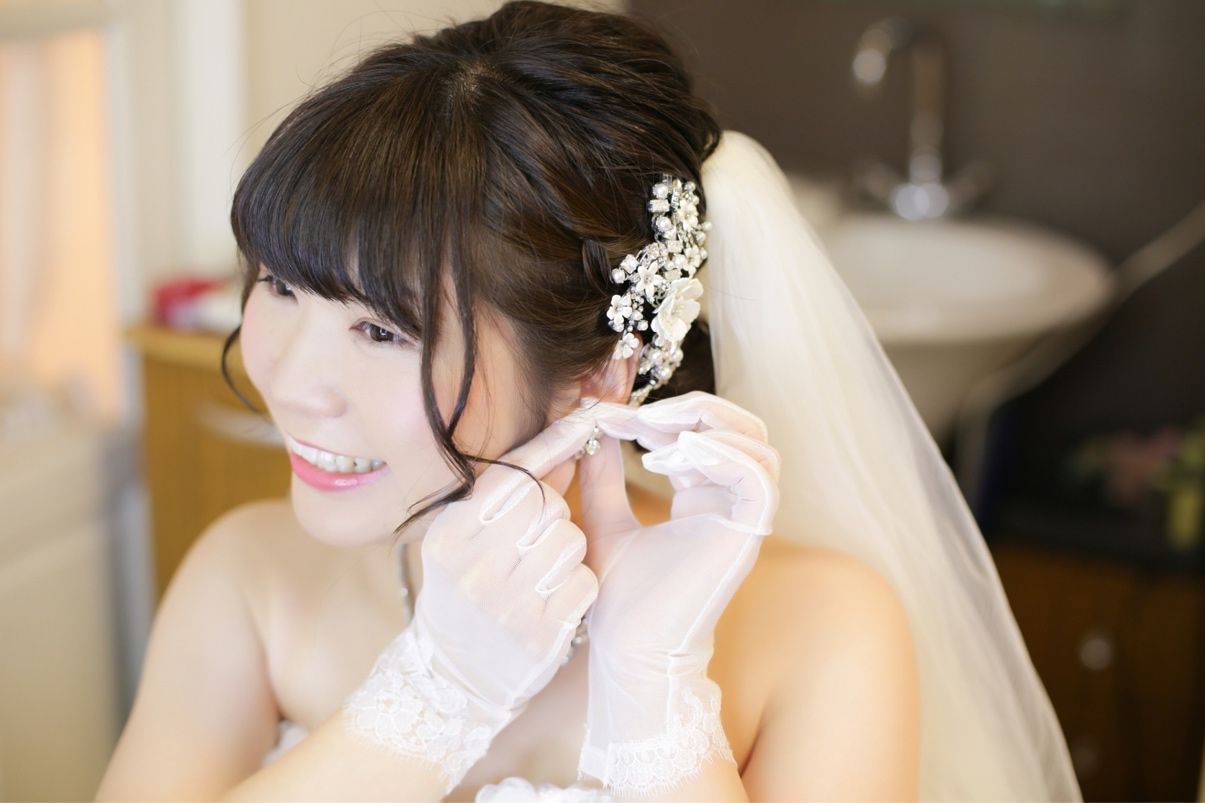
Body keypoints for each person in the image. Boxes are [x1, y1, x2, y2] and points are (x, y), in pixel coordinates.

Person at [95, 2, 1081, 801]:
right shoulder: (250, 576)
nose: (290, 381)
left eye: (383, 331)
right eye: (279, 285)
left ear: (600, 370)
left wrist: (651, 691)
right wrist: (430, 698)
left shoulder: (823, 627)